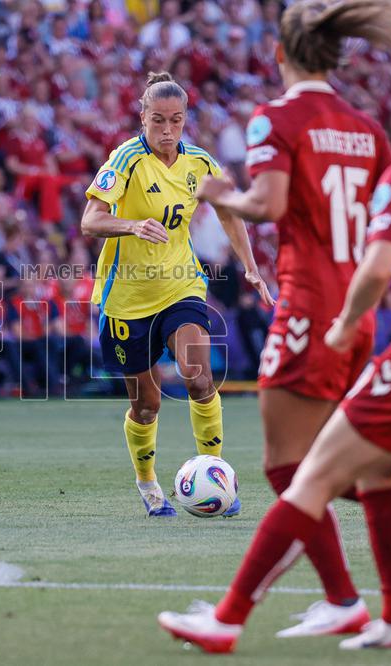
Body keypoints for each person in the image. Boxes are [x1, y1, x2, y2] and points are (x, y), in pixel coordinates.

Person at [159, 54, 391, 653]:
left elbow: (377, 267)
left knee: (307, 476)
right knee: (373, 467)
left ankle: (225, 620)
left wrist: (344, 324)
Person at [191, 0, 391, 636]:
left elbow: (268, 201)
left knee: (290, 467)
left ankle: (339, 600)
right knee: (330, 460)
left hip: (310, 308)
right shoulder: (366, 128)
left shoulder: (276, 118)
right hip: (356, 314)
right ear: (338, 58)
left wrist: (216, 194)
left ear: (279, 55)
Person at [80, 71, 273, 518]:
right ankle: (147, 482)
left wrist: (250, 265)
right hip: (127, 298)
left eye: (176, 121)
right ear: (142, 118)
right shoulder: (124, 160)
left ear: (185, 121)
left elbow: (229, 214)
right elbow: (90, 220)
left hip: (181, 285)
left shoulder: (200, 163)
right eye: (158, 121)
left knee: (199, 378)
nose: (167, 131)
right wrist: (130, 224)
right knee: (146, 405)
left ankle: (217, 472)